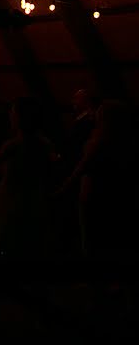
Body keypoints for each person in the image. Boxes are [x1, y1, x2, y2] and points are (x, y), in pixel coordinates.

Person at [57, 100, 139, 261]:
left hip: (92, 193)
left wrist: (61, 191)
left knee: (90, 239)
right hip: (117, 193)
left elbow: (81, 169)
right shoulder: (128, 142)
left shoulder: (99, 142)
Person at [0, 97, 55, 260]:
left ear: (18, 117)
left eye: (12, 112)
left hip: (10, 198)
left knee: (5, 243)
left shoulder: (13, 145)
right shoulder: (44, 143)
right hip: (33, 198)